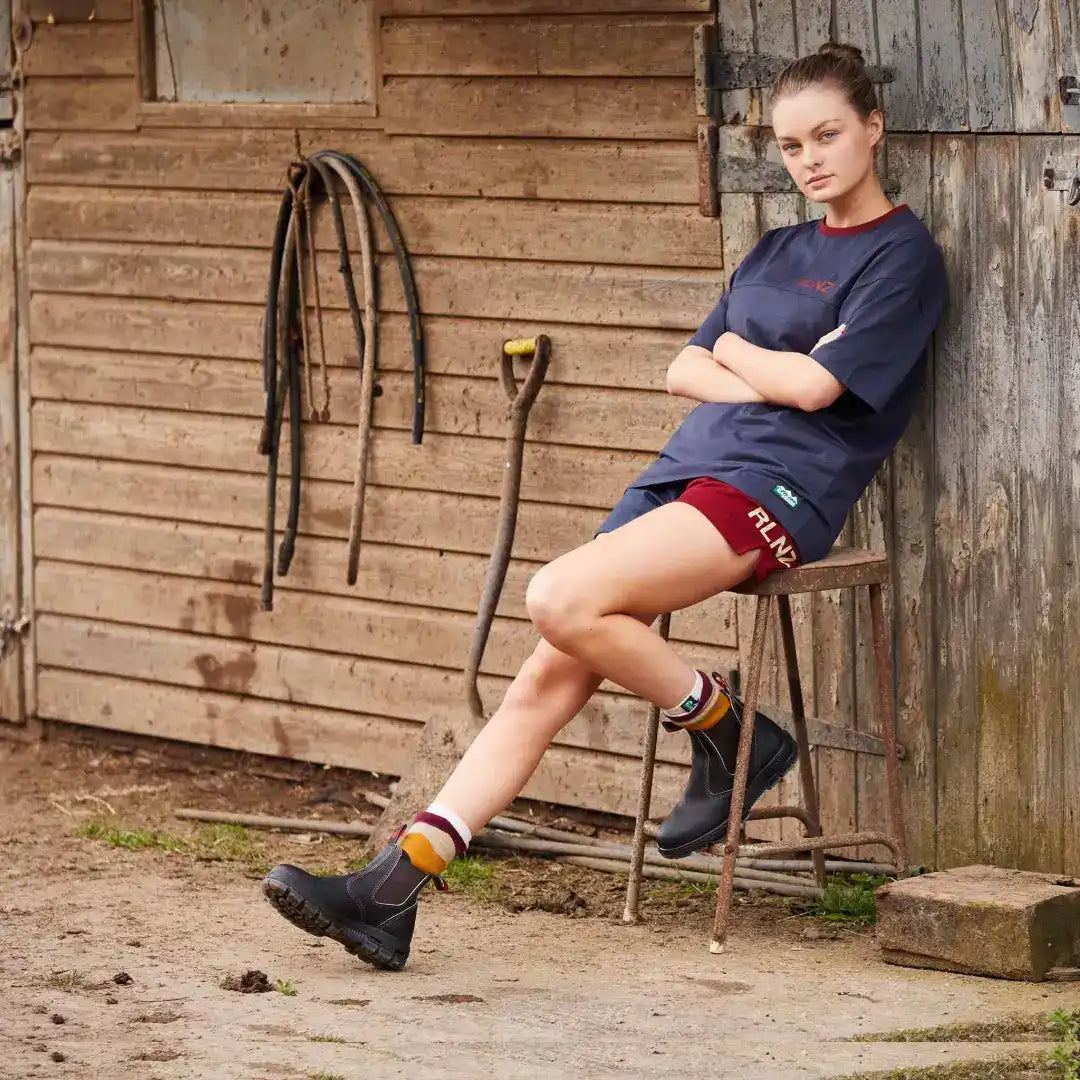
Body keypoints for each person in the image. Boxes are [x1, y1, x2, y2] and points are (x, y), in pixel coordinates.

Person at [262, 41, 948, 971]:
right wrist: (766, 369)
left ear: (872, 127)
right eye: (790, 146)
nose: (810, 160)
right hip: (684, 471)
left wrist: (743, 360)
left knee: (559, 598)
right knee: (543, 675)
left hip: (776, 488)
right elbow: (681, 370)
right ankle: (390, 892)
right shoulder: (776, 248)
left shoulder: (902, 256)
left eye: (827, 135)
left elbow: (820, 391)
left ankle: (731, 728)